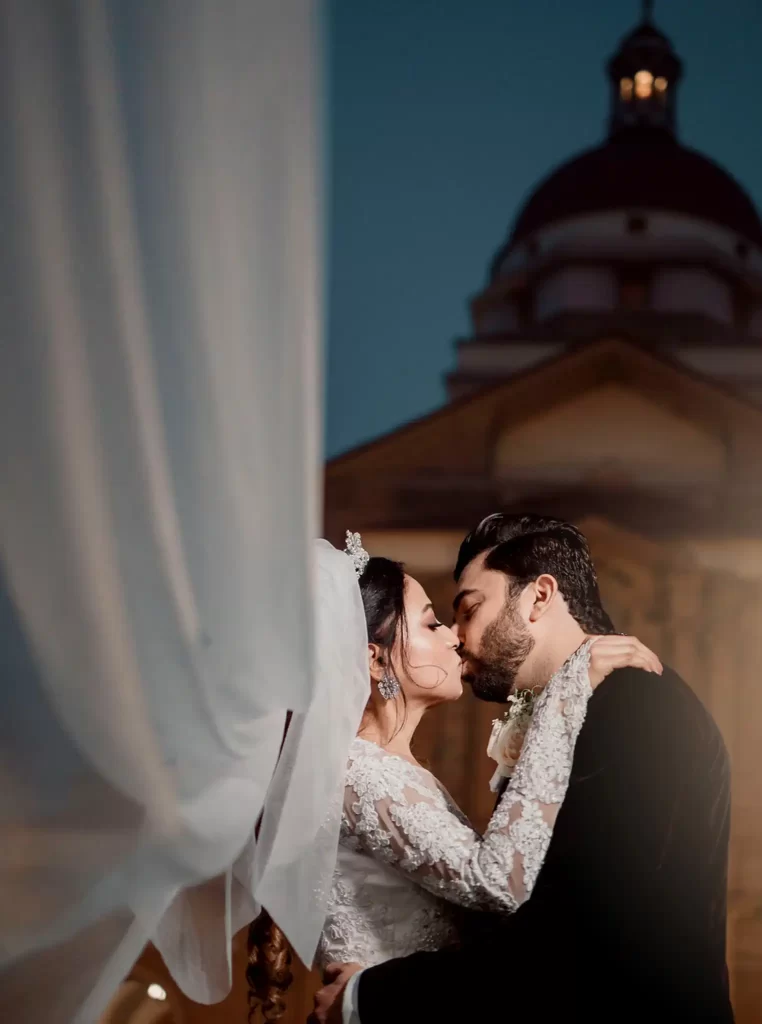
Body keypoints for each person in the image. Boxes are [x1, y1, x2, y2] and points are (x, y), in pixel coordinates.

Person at [314, 515, 734, 1024]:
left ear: (538, 597)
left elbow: (571, 940)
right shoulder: (570, 719)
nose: (458, 637)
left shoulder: (633, 706)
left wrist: (367, 997)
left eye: (468, 609)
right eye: (436, 621)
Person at [248, 530, 663, 1020]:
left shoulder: (390, 771)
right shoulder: (358, 773)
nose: (454, 636)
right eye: (431, 624)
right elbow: (498, 884)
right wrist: (562, 699)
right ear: (373, 657)